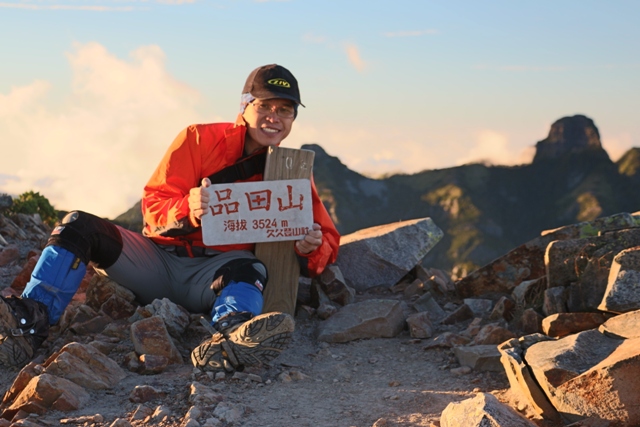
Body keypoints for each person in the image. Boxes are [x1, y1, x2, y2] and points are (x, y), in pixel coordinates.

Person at [0, 64, 340, 372]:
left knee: (250, 268)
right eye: (264, 105)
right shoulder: (198, 138)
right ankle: (29, 322)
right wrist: (188, 210)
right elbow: (154, 210)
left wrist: (310, 246)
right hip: (157, 261)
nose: (274, 116)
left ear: (293, 119)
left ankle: (234, 337)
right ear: (245, 106)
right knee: (78, 226)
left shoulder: (291, 170)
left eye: (285, 110)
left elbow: (326, 238)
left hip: (215, 275)